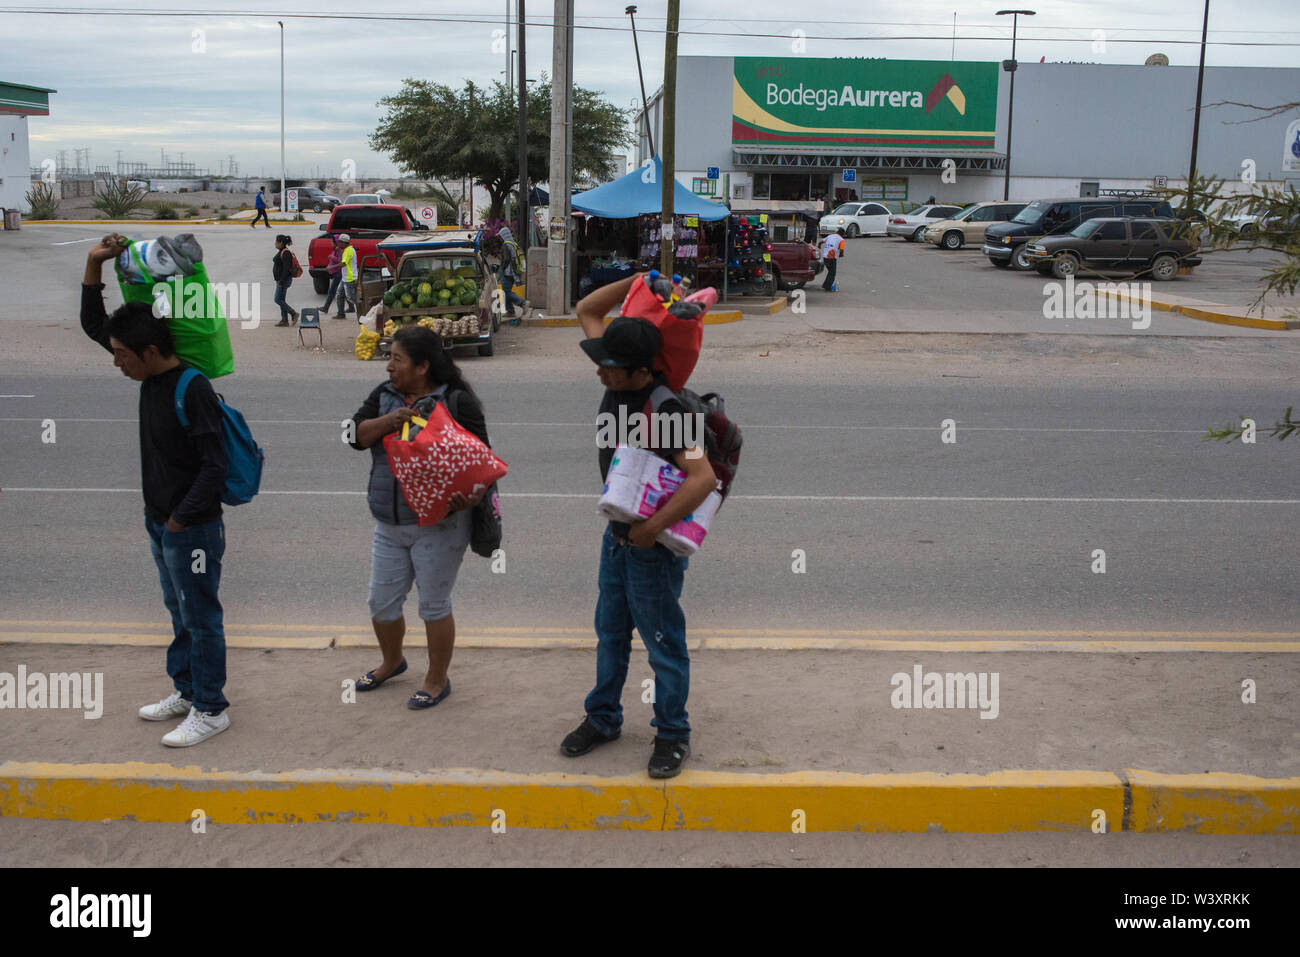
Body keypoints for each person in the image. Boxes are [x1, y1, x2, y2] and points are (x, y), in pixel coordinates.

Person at [560, 274, 717, 779]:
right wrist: (638, 279)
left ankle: (673, 734)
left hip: (649, 548)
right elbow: (587, 308)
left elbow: (703, 477)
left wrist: (652, 529)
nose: (598, 374)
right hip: (616, 540)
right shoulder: (618, 376)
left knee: (663, 645)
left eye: (609, 368)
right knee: (610, 635)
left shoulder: (666, 409)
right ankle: (603, 719)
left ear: (639, 370)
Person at [80, 234, 232, 747]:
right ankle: (187, 690)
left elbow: (216, 465)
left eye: (122, 354)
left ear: (150, 351)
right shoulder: (149, 375)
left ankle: (211, 709)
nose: (115, 359)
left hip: (191, 526)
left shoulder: (194, 386)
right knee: (179, 612)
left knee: (202, 617)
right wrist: (93, 264)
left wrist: (179, 520)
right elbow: (94, 325)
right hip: (162, 521)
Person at [347, 325, 490, 710]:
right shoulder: (384, 396)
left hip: (439, 524)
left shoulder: (457, 401)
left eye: (396, 359)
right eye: (389, 357)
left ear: (423, 366)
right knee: (380, 602)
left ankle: (436, 678)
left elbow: (481, 460)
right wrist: (389, 422)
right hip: (388, 522)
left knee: (434, 605)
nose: (388, 366)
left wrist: (468, 498)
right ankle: (392, 662)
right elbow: (353, 435)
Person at [495, 226, 530, 322]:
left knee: (506, 292)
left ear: (504, 235)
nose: (500, 238)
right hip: (513, 272)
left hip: (507, 272)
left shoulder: (506, 245)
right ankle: (510, 310)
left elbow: (506, 259)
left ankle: (522, 303)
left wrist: (501, 268)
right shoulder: (513, 243)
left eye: (501, 236)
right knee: (507, 290)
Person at [272, 234, 298, 326]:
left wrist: (281, 282)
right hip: (280, 280)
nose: (275, 243)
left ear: (281, 243)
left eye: (276, 242)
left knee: (277, 299)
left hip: (283, 280)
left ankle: (293, 313)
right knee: (282, 300)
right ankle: (284, 320)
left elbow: (286, 269)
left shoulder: (286, 253)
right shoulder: (281, 251)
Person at [322, 235, 348, 319]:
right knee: (343, 292)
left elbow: (341, 262)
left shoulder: (341, 250)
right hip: (337, 273)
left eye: (332, 242)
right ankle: (347, 308)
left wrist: (333, 258)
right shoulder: (337, 250)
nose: (331, 244)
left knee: (333, 291)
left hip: (339, 273)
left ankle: (327, 308)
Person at [820, 226, 846, 292]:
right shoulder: (841, 240)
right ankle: (828, 287)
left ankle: (825, 285)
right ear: (842, 234)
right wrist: (841, 255)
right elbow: (842, 250)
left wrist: (818, 246)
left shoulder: (830, 236)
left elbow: (821, 242)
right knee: (832, 273)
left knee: (830, 272)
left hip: (825, 256)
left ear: (837, 232)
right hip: (831, 258)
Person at [339, 233, 359, 317]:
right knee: (339, 294)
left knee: (352, 298)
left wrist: (331, 267)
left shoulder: (348, 251)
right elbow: (342, 260)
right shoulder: (349, 250)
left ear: (344, 242)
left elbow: (343, 264)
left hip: (349, 278)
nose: (338, 244)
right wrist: (337, 251)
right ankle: (341, 313)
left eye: (340, 242)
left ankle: (362, 311)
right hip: (345, 278)